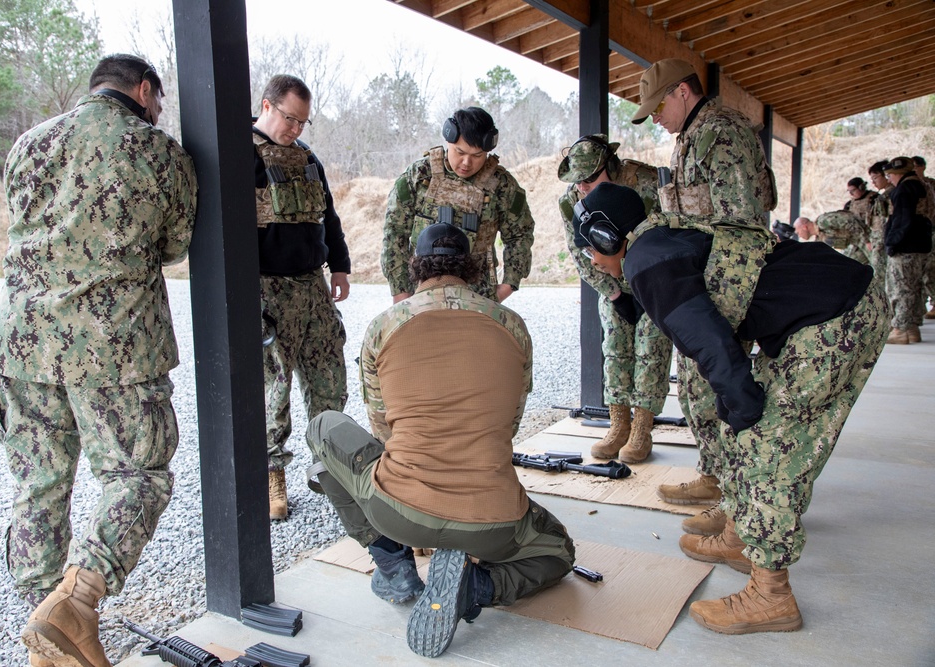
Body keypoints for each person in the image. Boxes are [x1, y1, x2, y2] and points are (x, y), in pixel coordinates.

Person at [576, 182, 888, 634]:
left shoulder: (646, 260)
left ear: (608, 237)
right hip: (836, 304)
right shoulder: (660, 238)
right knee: (742, 428)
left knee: (768, 447)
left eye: (591, 247)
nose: (591, 257)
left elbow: (710, 343)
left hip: (838, 316)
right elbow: (723, 322)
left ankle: (771, 593)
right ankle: (742, 537)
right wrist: (734, 407)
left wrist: (742, 409)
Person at [0, 54, 197, 667]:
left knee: (38, 488)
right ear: (144, 89)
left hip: (20, 345)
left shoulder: (28, 143)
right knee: (137, 476)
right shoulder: (155, 150)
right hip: (113, 347)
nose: (159, 110)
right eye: (158, 99)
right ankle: (73, 605)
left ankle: (45, 640)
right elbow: (176, 243)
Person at [305, 223, 574, 658]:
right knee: (558, 551)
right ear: (472, 267)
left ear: (416, 267)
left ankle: (393, 564)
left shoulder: (384, 326)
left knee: (325, 431)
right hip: (494, 523)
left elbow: (383, 429)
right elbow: (507, 424)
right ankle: (479, 586)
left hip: (397, 513)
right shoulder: (511, 324)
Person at [630, 58, 777, 532]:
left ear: (682, 92)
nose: (655, 116)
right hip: (704, 279)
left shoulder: (722, 133)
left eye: (658, 105)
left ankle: (737, 503)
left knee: (719, 384)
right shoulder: (692, 137)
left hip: (725, 282)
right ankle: (718, 477)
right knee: (697, 385)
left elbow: (743, 220)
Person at [252, 74, 351, 520]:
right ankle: (273, 476)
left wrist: (341, 266)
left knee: (329, 375)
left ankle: (330, 467)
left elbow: (327, 215)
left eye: (303, 122)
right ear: (267, 106)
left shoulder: (308, 158)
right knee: (274, 388)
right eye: (291, 119)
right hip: (266, 289)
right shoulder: (243, 158)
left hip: (312, 286)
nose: (296, 130)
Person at [556, 134, 672, 467]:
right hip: (611, 282)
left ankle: (642, 430)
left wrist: (651, 282)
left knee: (651, 351)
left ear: (610, 166)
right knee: (616, 350)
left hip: (652, 280)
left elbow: (668, 232)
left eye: (590, 179)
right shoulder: (572, 202)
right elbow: (580, 253)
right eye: (577, 181)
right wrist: (615, 293)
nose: (582, 187)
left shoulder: (646, 183)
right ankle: (619, 425)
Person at [382, 106, 535, 303]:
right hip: (421, 292)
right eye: (460, 152)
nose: (466, 162)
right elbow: (394, 233)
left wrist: (507, 285)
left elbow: (520, 234)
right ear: (448, 140)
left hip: (478, 295)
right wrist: (400, 291)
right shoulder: (419, 176)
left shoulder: (502, 185)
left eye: (477, 156)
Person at [883, 156, 933, 344]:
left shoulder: (904, 189)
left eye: (890, 175)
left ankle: (901, 329)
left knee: (901, 287)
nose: (889, 179)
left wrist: (891, 242)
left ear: (898, 174)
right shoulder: (923, 186)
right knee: (913, 286)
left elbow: (902, 219)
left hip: (906, 246)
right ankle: (911, 328)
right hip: (922, 244)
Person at [911, 156, 935, 319]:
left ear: (923, 167)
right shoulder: (910, 186)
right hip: (916, 234)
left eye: (915, 167)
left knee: (930, 270)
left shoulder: (931, 185)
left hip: (931, 231)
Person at [867, 161, 895, 286]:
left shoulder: (890, 195)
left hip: (884, 244)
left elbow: (888, 222)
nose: (873, 182)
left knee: (881, 280)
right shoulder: (884, 195)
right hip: (879, 242)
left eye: (875, 178)